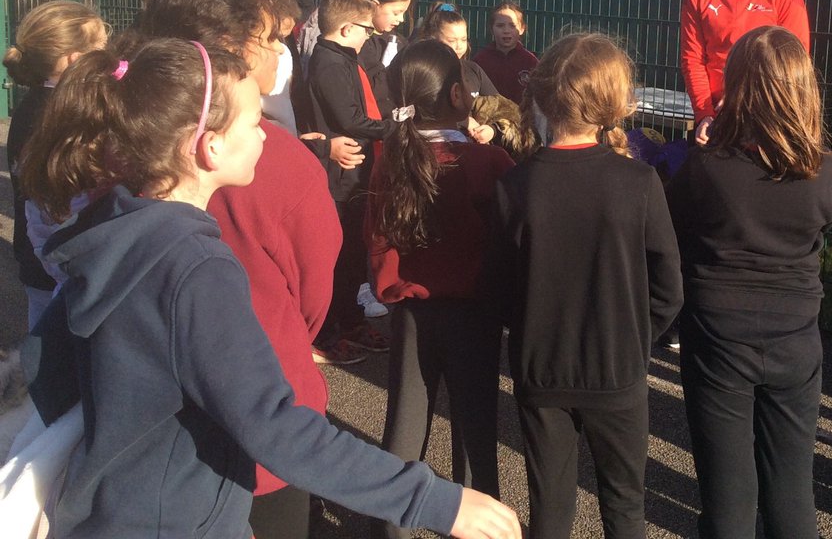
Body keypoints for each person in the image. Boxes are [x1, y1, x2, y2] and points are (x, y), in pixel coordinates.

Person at [17, 39, 522, 539]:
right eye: (255, 121)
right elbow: (276, 427)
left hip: (120, 508)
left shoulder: (112, 227)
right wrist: (435, 501)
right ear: (210, 146)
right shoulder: (198, 269)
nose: (265, 134)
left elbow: (46, 369)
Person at [139, 0, 346, 535]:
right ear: (232, 48)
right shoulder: (279, 161)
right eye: (272, 38)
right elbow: (313, 295)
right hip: (267, 410)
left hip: (149, 423)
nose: (281, 52)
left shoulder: (120, 137)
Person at [491, 32, 683, 539]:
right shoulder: (638, 183)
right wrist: (635, 338)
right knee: (625, 508)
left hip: (541, 370)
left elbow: (500, 288)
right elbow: (669, 287)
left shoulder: (514, 186)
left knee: (550, 507)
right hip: (617, 369)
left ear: (543, 96)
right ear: (612, 101)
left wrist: (530, 328)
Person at [665, 26, 832, 539]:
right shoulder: (823, 168)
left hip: (719, 336)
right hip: (796, 335)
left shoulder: (708, 166)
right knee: (792, 489)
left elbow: (676, 228)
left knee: (728, 495)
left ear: (737, 87)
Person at [365, 39, 514, 539]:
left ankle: (389, 529)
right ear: (457, 94)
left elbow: (376, 238)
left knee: (404, 431)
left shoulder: (389, 161)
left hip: (411, 313)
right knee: (475, 432)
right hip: (474, 315)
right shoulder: (489, 162)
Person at [2, 1, 109, 328]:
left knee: (43, 340)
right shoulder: (69, 116)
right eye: (101, 48)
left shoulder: (31, 105)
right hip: (69, 263)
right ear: (75, 60)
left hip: (38, 258)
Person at [303, 0, 394, 363]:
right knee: (338, 258)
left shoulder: (342, 59)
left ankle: (351, 321)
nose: (369, 36)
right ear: (346, 28)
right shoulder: (329, 63)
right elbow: (350, 119)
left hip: (355, 174)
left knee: (354, 253)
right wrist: (394, 128)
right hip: (340, 177)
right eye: (366, 29)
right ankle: (327, 332)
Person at [680, 0, 811, 145]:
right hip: (719, 114)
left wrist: (746, 96)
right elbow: (693, 59)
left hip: (770, 111)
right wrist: (704, 113)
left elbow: (794, 61)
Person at [414, 1, 498, 98]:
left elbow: (498, 102)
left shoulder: (473, 70)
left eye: (463, 39)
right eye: (452, 40)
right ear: (433, 39)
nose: (459, 46)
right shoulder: (423, 72)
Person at [360, 0, 415, 114]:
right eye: (396, 13)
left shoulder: (400, 41)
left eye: (403, 13)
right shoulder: (359, 42)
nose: (401, 19)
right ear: (374, 6)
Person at [473, 0, 538, 103]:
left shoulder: (531, 62)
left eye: (512, 25)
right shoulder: (480, 60)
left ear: (522, 29)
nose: (506, 31)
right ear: (491, 29)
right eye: (500, 25)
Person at [468, 94, 537, 162]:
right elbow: (468, 103)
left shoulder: (532, 145)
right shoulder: (497, 104)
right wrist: (493, 130)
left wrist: (493, 131)